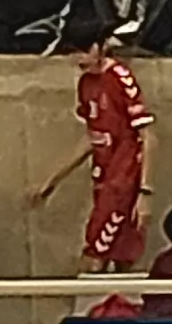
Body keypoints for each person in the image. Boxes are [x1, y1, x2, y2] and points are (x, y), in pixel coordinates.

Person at [31, 40, 152, 273]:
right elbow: (92, 137)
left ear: (101, 46)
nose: (79, 59)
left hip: (122, 184)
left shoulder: (120, 77)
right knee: (119, 258)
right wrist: (52, 180)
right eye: (73, 52)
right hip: (102, 180)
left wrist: (145, 192)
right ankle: (108, 308)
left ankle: (88, 307)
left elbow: (148, 137)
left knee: (94, 256)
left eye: (84, 51)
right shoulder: (86, 83)